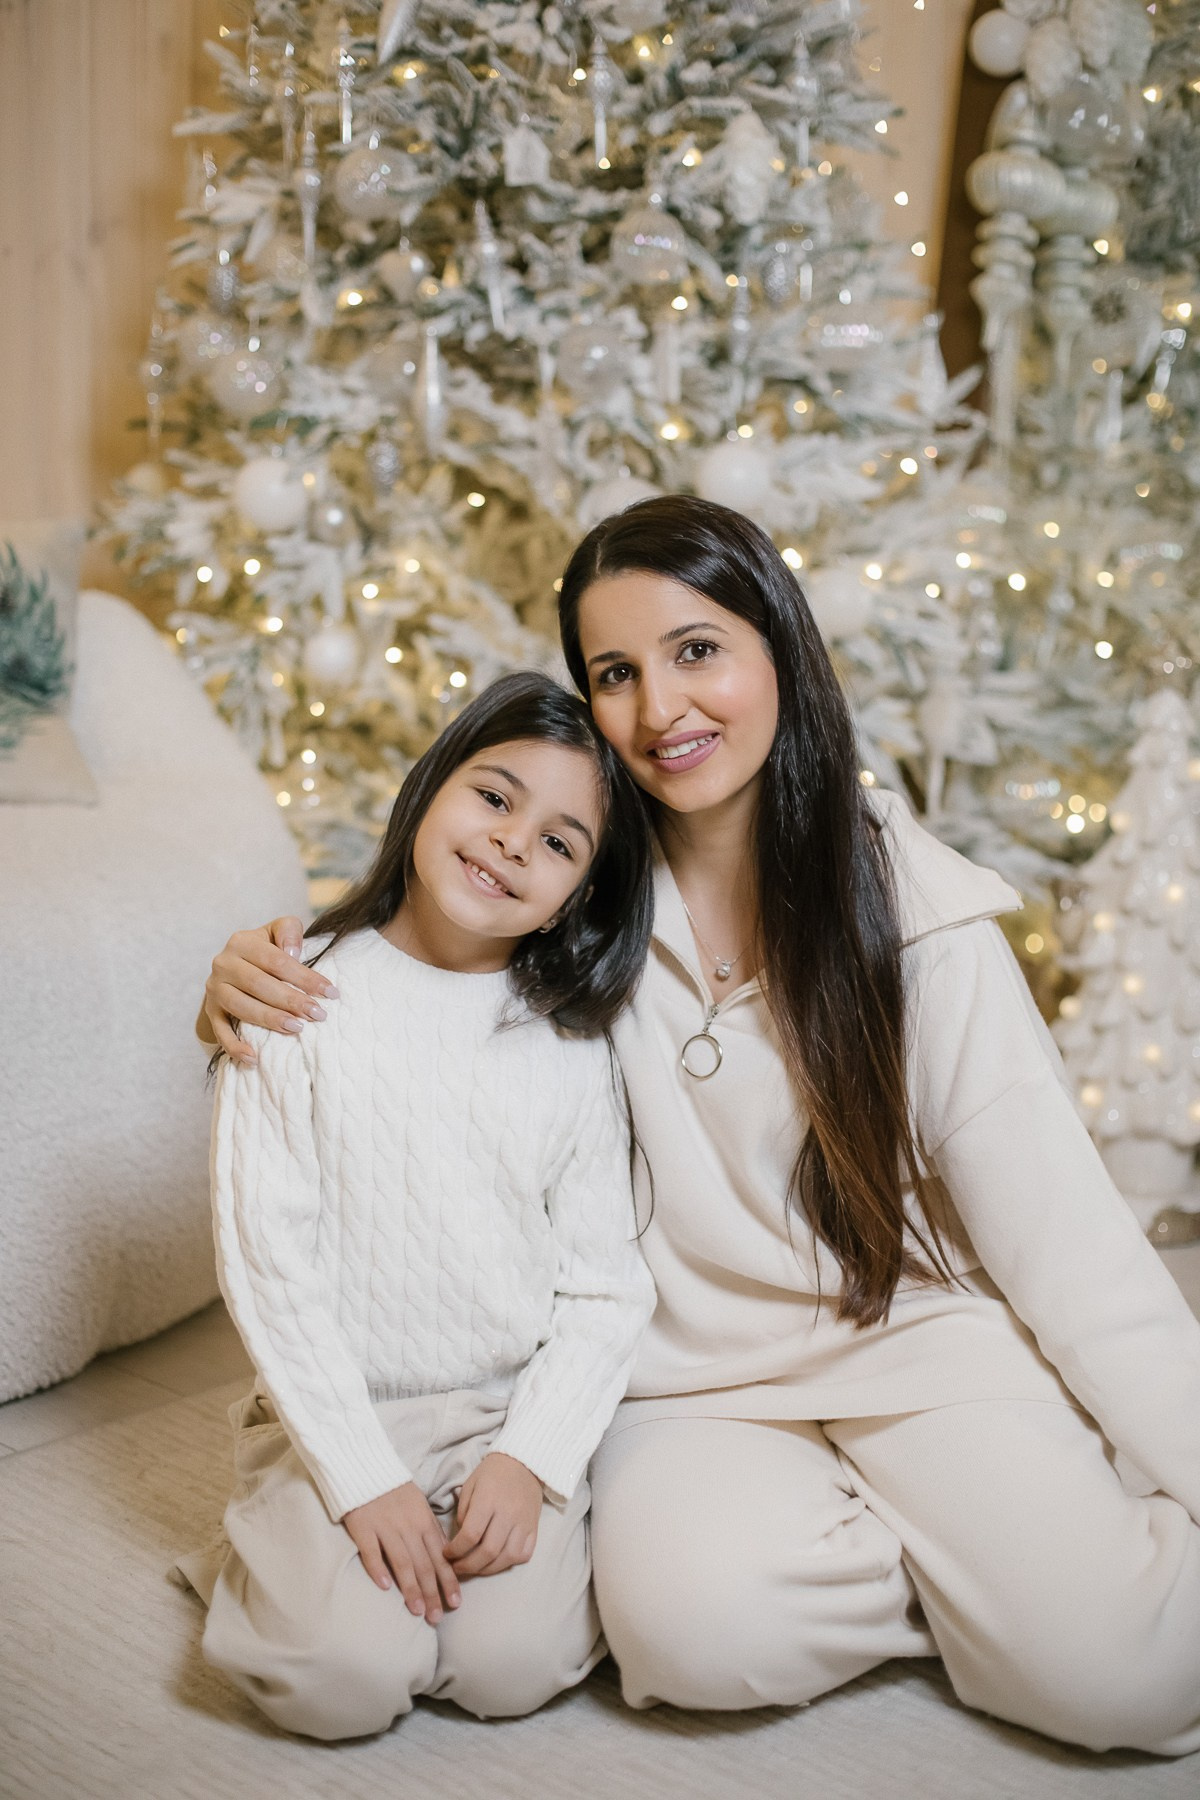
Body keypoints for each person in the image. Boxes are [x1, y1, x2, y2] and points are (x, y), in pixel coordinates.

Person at [199, 497, 1200, 1757]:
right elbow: (414, 977)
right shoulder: (572, 897)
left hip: (916, 1343)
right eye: (614, 673)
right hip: (687, 1379)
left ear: (776, 643)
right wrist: (255, 972)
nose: (661, 708)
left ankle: (1032, 1559)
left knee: (1130, 1681)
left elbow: (1072, 1247)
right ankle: (965, 1571)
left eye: (697, 651)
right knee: (691, 1640)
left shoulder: (918, 918)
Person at [183, 670, 656, 1741]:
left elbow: (602, 1284)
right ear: (432, 783)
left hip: (496, 1414)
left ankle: (405, 1543)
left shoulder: (570, 1045)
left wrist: (529, 1457)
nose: (508, 845)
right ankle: (269, 1549)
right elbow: (271, 1266)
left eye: (558, 843)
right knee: (340, 1680)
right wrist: (358, 1479)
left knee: (511, 1666)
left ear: (583, 890)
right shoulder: (293, 988)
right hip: (331, 1411)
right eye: (494, 798)